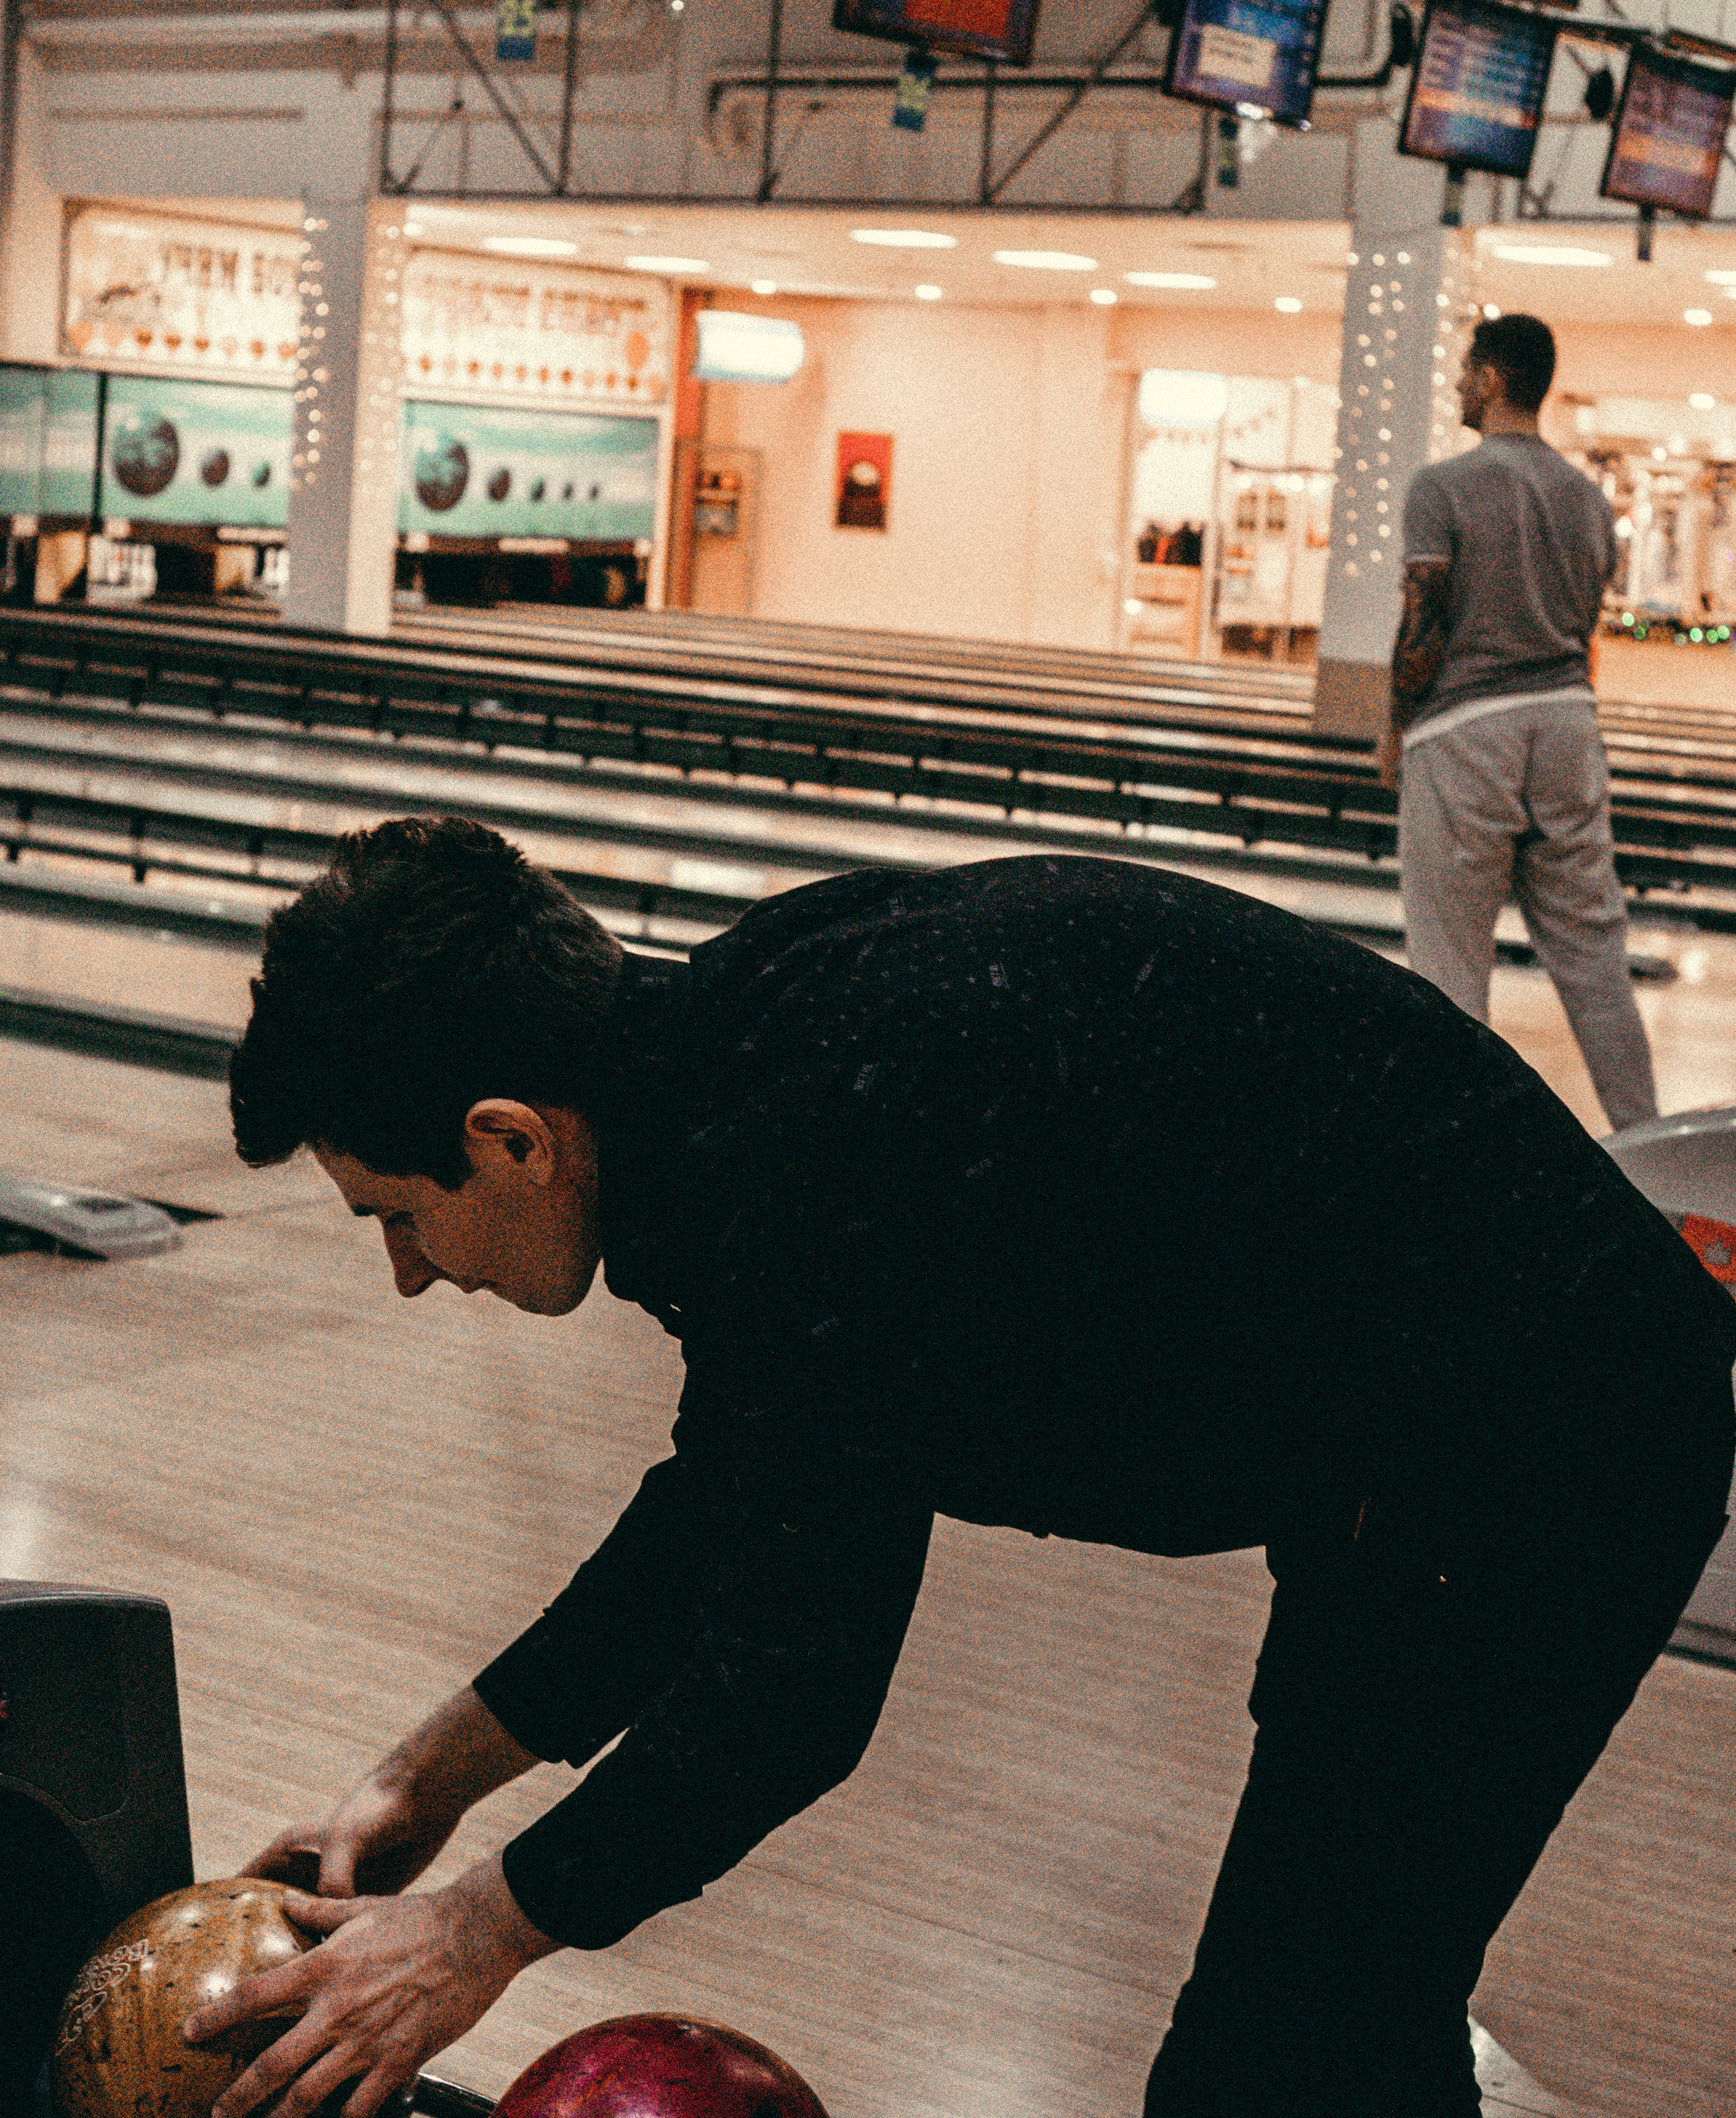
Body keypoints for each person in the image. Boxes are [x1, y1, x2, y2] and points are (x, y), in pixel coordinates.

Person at [195, 818, 1733, 2118]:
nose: (406, 1270)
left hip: (1538, 1440)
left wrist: (469, 1937)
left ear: (512, 1139)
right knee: (1326, 2016)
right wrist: (425, 1777)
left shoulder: (795, 1148)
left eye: (395, 1212)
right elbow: (731, 1503)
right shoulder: (728, 1068)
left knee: (1287, 2045)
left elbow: (785, 1692)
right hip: (1434, 1447)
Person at [1378, 313, 1656, 1130]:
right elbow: (1583, 626)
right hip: (1567, 729)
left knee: (1449, 972)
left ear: (1492, 378)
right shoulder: (1590, 502)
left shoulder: (1442, 487)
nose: (1460, 383)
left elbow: (1421, 621)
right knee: (1596, 967)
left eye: (1467, 369)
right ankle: (1652, 1158)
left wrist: (1394, 727)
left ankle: (1460, 1164)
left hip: (1466, 733)